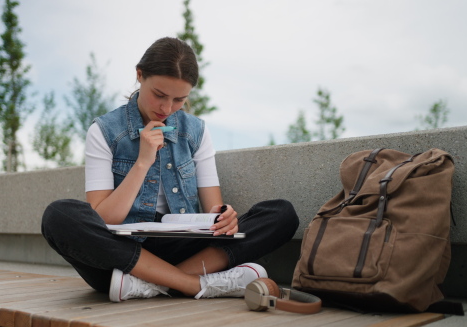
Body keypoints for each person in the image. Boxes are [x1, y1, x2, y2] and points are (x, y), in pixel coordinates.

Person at [41, 37, 299, 302]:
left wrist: (223, 217)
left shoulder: (195, 131)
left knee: (281, 214)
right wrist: (142, 162)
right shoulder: (105, 131)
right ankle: (194, 285)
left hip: (181, 250)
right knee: (58, 216)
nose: (167, 109)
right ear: (140, 75)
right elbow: (102, 219)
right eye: (159, 95)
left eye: (179, 99)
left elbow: (213, 209)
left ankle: (151, 284)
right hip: (122, 253)